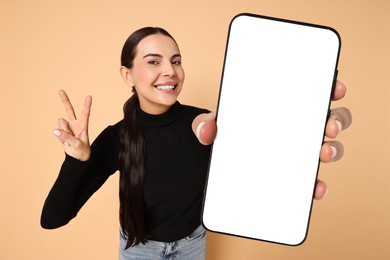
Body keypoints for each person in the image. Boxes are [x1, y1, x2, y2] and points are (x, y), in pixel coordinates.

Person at [41, 27, 352, 260]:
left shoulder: (205, 125)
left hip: (192, 247)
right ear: (127, 75)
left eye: (176, 61)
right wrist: (77, 159)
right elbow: (53, 218)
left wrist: (300, 135)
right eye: (154, 61)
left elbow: (255, 167)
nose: (170, 71)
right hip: (138, 251)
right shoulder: (117, 137)